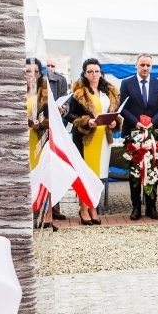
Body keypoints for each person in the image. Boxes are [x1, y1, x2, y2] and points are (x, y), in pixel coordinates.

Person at [66, 58, 121, 225]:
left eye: (97, 71)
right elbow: (69, 115)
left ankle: (93, 207)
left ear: (100, 72)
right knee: (85, 174)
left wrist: (114, 122)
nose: (94, 74)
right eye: (90, 71)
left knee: (98, 175)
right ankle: (83, 208)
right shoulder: (79, 92)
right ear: (84, 73)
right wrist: (85, 121)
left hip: (103, 138)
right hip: (85, 138)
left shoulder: (108, 92)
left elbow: (115, 112)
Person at [119, 54, 158, 221]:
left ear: (151, 67)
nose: (145, 68)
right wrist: (136, 122)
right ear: (136, 66)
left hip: (152, 134)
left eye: (148, 65)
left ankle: (151, 206)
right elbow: (122, 108)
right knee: (135, 172)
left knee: (152, 170)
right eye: (142, 65)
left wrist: (153, 122)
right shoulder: (126, 83)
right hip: (133, 133)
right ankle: (136, 207)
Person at [25, 58, 55, 231]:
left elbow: (52, 118)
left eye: (34, 71)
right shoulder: (15, 93)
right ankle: (27, 212)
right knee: (26, 177)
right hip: (21, 142)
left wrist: (41, 121)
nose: (31, 75)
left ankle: (46, 214)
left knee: (44, 175)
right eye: (27, 71)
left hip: (40, 139)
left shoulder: (44, 92)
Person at [45, 58, 69, 221]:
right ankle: (41, 208)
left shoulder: (60, 80)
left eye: (53, 66)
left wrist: (62, 110)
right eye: (48, 65)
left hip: (55, 130)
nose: (51, 69)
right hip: (38, 128)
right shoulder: (35, 80)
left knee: (55, 168)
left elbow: (66, 104)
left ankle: (55, 207)